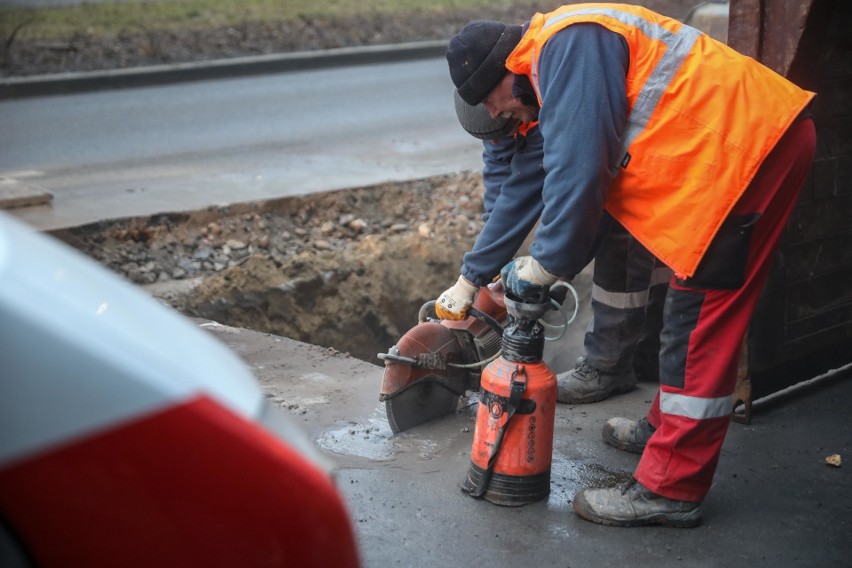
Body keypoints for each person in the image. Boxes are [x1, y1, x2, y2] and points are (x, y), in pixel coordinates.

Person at [444, 4, 816, 527]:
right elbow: (583, 194)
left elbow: (580, 171)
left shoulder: (567, 46)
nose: (502, 116)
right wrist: (529, 270)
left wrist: (546, 264)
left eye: (494, 103)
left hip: (747, 157)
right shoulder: (553, 62)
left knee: (696, 330)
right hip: (727, 161)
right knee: (685, 323)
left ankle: (671, 487)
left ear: (508, 72)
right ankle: (664, 433)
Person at [440, 91, 671, 403]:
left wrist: (549, 267)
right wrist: (494, 260)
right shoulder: (495, 106)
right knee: (639, 258)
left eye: (502, 134)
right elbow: (500, 172)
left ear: (508, 107)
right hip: (619, 145)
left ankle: (609, 368)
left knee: (623, 248)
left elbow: (569, 202)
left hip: (648, 147)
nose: (497, 142)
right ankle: (645, 358)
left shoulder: (555, 108)